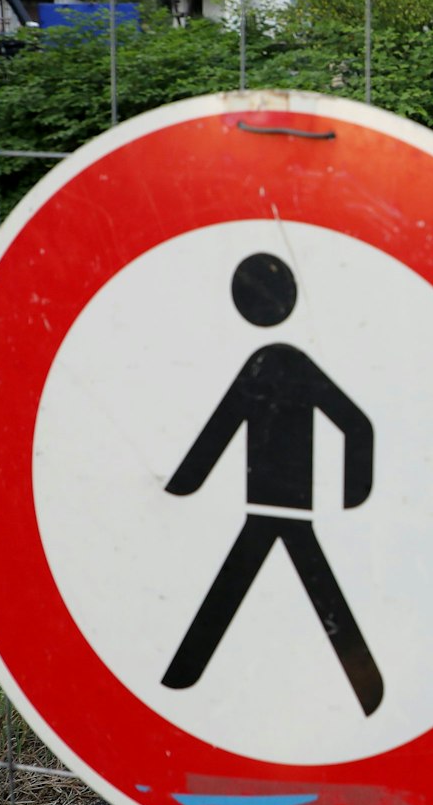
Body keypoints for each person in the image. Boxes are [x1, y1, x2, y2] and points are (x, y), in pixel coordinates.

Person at [161, 253, 384, 715]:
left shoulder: (271, 363)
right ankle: (368, 689)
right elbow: (355, 424)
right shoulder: (288, 363)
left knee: (256, 585)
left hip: (272, 503)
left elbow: (220, 430)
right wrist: (353, 491)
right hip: (281, 505)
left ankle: (180, 675)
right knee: (290, 586)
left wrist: (182, 485)